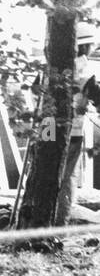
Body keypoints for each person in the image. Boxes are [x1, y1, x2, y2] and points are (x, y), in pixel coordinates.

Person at [56, 25, 99, 225]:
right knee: (67, 176)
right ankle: (59, 220)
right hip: (72, 131)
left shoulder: (52, 63)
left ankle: (37, 214)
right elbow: (97, 97)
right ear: (88, 47)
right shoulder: (87, 69)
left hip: (47, 127)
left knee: (44, 166)